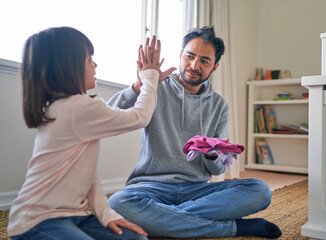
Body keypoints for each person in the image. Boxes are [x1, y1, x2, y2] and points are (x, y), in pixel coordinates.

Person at [107, 26, 282, 238]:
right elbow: (110, 116)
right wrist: (139, 85)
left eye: (204, 61)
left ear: (214, 67)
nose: (194, 65)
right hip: (150, 188)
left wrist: (211, 154)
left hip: (198, 190)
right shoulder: (155, 88)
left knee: (259, 191)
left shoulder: (219, 106)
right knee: (117, 203)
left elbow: (217, 170)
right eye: (190, 56)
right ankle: (233, 228)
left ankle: (164, 222)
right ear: (181, 55)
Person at [7, 26, 173, 240]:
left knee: (136, 238)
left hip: (76, 216)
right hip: (37, 220)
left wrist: (107, 215)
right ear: (68, 67)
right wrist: (150, 77)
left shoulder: (72, 107)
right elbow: (140, 116)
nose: (95, 65)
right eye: (89, 59)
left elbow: (88, 175)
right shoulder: (76, 107)